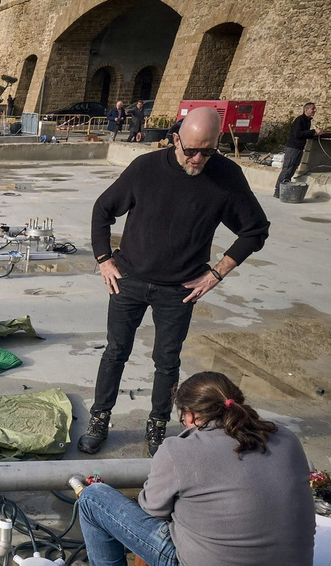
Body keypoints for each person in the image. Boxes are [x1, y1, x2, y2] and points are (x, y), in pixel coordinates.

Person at [82, 106, 270, 457]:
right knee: (115, 353)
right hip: (129, 280)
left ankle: (157, 424)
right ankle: (100, 418)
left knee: (167, 362)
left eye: (208, 151)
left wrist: (217, 273)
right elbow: (103, 210)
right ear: (174, 138)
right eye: (191, 149)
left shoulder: (226, 177)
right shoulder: (145, 168)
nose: (198, 158)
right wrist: (104, 259)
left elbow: (256, 230)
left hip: (180, 289)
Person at [73, 372, 315, 566]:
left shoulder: (180, 449)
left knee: (94, 498)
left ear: (190, 414)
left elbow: (151, 510)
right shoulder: (286, 438)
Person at [275, 102, 331, 197]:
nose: (315, 110)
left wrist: (318, 134)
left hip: (299, 148)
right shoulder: (300, 120)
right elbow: (297, 134)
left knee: (292, 169)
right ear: (306, 110)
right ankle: (278, 191)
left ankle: (285, 190)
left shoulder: (307, 121)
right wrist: (313, 132)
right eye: (312, 109)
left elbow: (305, 134)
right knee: (287, 169)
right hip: (293, 148)